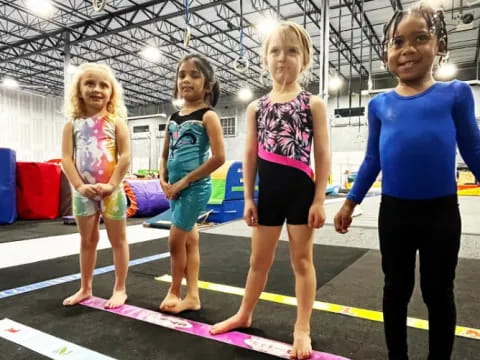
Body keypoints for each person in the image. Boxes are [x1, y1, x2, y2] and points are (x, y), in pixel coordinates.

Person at [334, 5, 480, 360]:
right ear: (386, 52)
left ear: (439, 44)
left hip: (441, 214)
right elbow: (373, 160)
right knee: (395, 289)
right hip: (395, 213)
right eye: (398, 42)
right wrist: (350, 202)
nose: (408, 49)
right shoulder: (380, 105)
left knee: (438, 291)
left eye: (420, 39)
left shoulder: (456, 94)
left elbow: (474, 149)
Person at [210, 21, 330, 360]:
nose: (283, 58)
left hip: (300, 191)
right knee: (257, 262)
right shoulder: (256, 107)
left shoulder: (312, 104)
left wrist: (320, 199)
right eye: (275, 51)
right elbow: (249, 154)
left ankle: (302, 327)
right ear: (265, 58)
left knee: (302, 261)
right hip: (269, 194)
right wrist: (248, 197)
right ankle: (244, 313)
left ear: (305, 59)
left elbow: (322, 153)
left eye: (292, 51)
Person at [159, 53, 225, 314]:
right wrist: (162, 178)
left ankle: (175, 291)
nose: (186, 80)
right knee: (189, 242)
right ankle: (193, 296)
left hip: (194, 187)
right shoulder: (173, 118)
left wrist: (184, 181)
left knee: (175, 242)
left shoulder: (208, 116)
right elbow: (165, 154)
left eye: (194, 75)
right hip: (174, 188)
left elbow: (219, 157)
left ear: (207, 85)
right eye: (182, 75)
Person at [61, 63, 131, 309]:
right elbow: (66, 159)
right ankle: (85, 287)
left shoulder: (116, 122)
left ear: (112, 92)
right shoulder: (73, 124)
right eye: (89, 83)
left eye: (104, 85)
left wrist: (112, 184)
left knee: (118, 240)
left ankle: (120, 288)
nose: (96, 89)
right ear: (79, 90)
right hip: (84, 192)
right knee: (87, 240)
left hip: (112, 191)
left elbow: (125, 157)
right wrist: (79, 186)